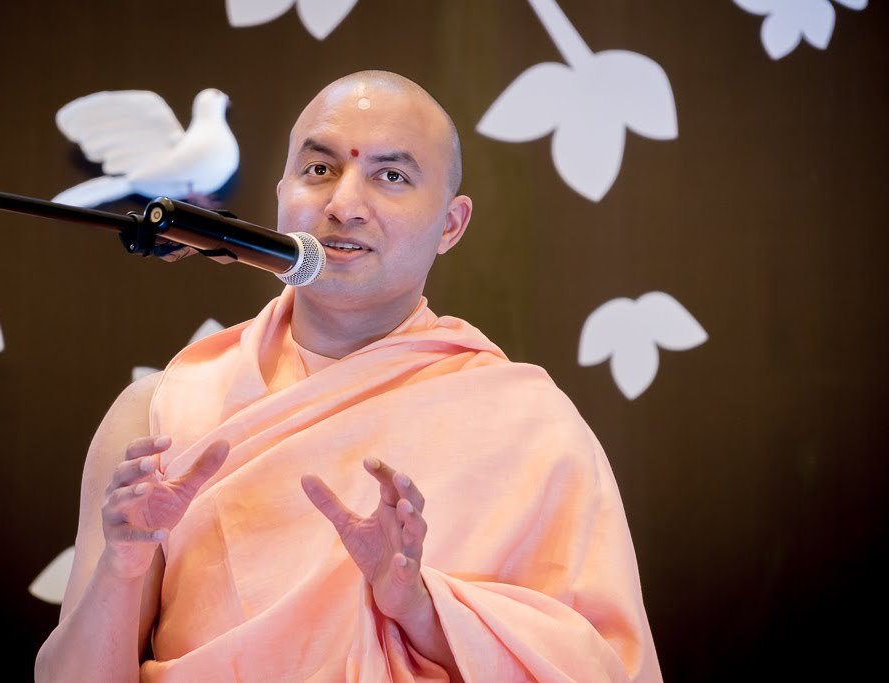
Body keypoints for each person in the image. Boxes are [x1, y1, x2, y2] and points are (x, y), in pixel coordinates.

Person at [35, 70, 663, 682]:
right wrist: (122, 567)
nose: (343, 206)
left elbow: (601, 667)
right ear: (281, 195)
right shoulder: (159, 416)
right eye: (319, 170)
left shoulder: (532, 425)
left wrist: (419, 608)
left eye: (391, 176)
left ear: (451, 224)